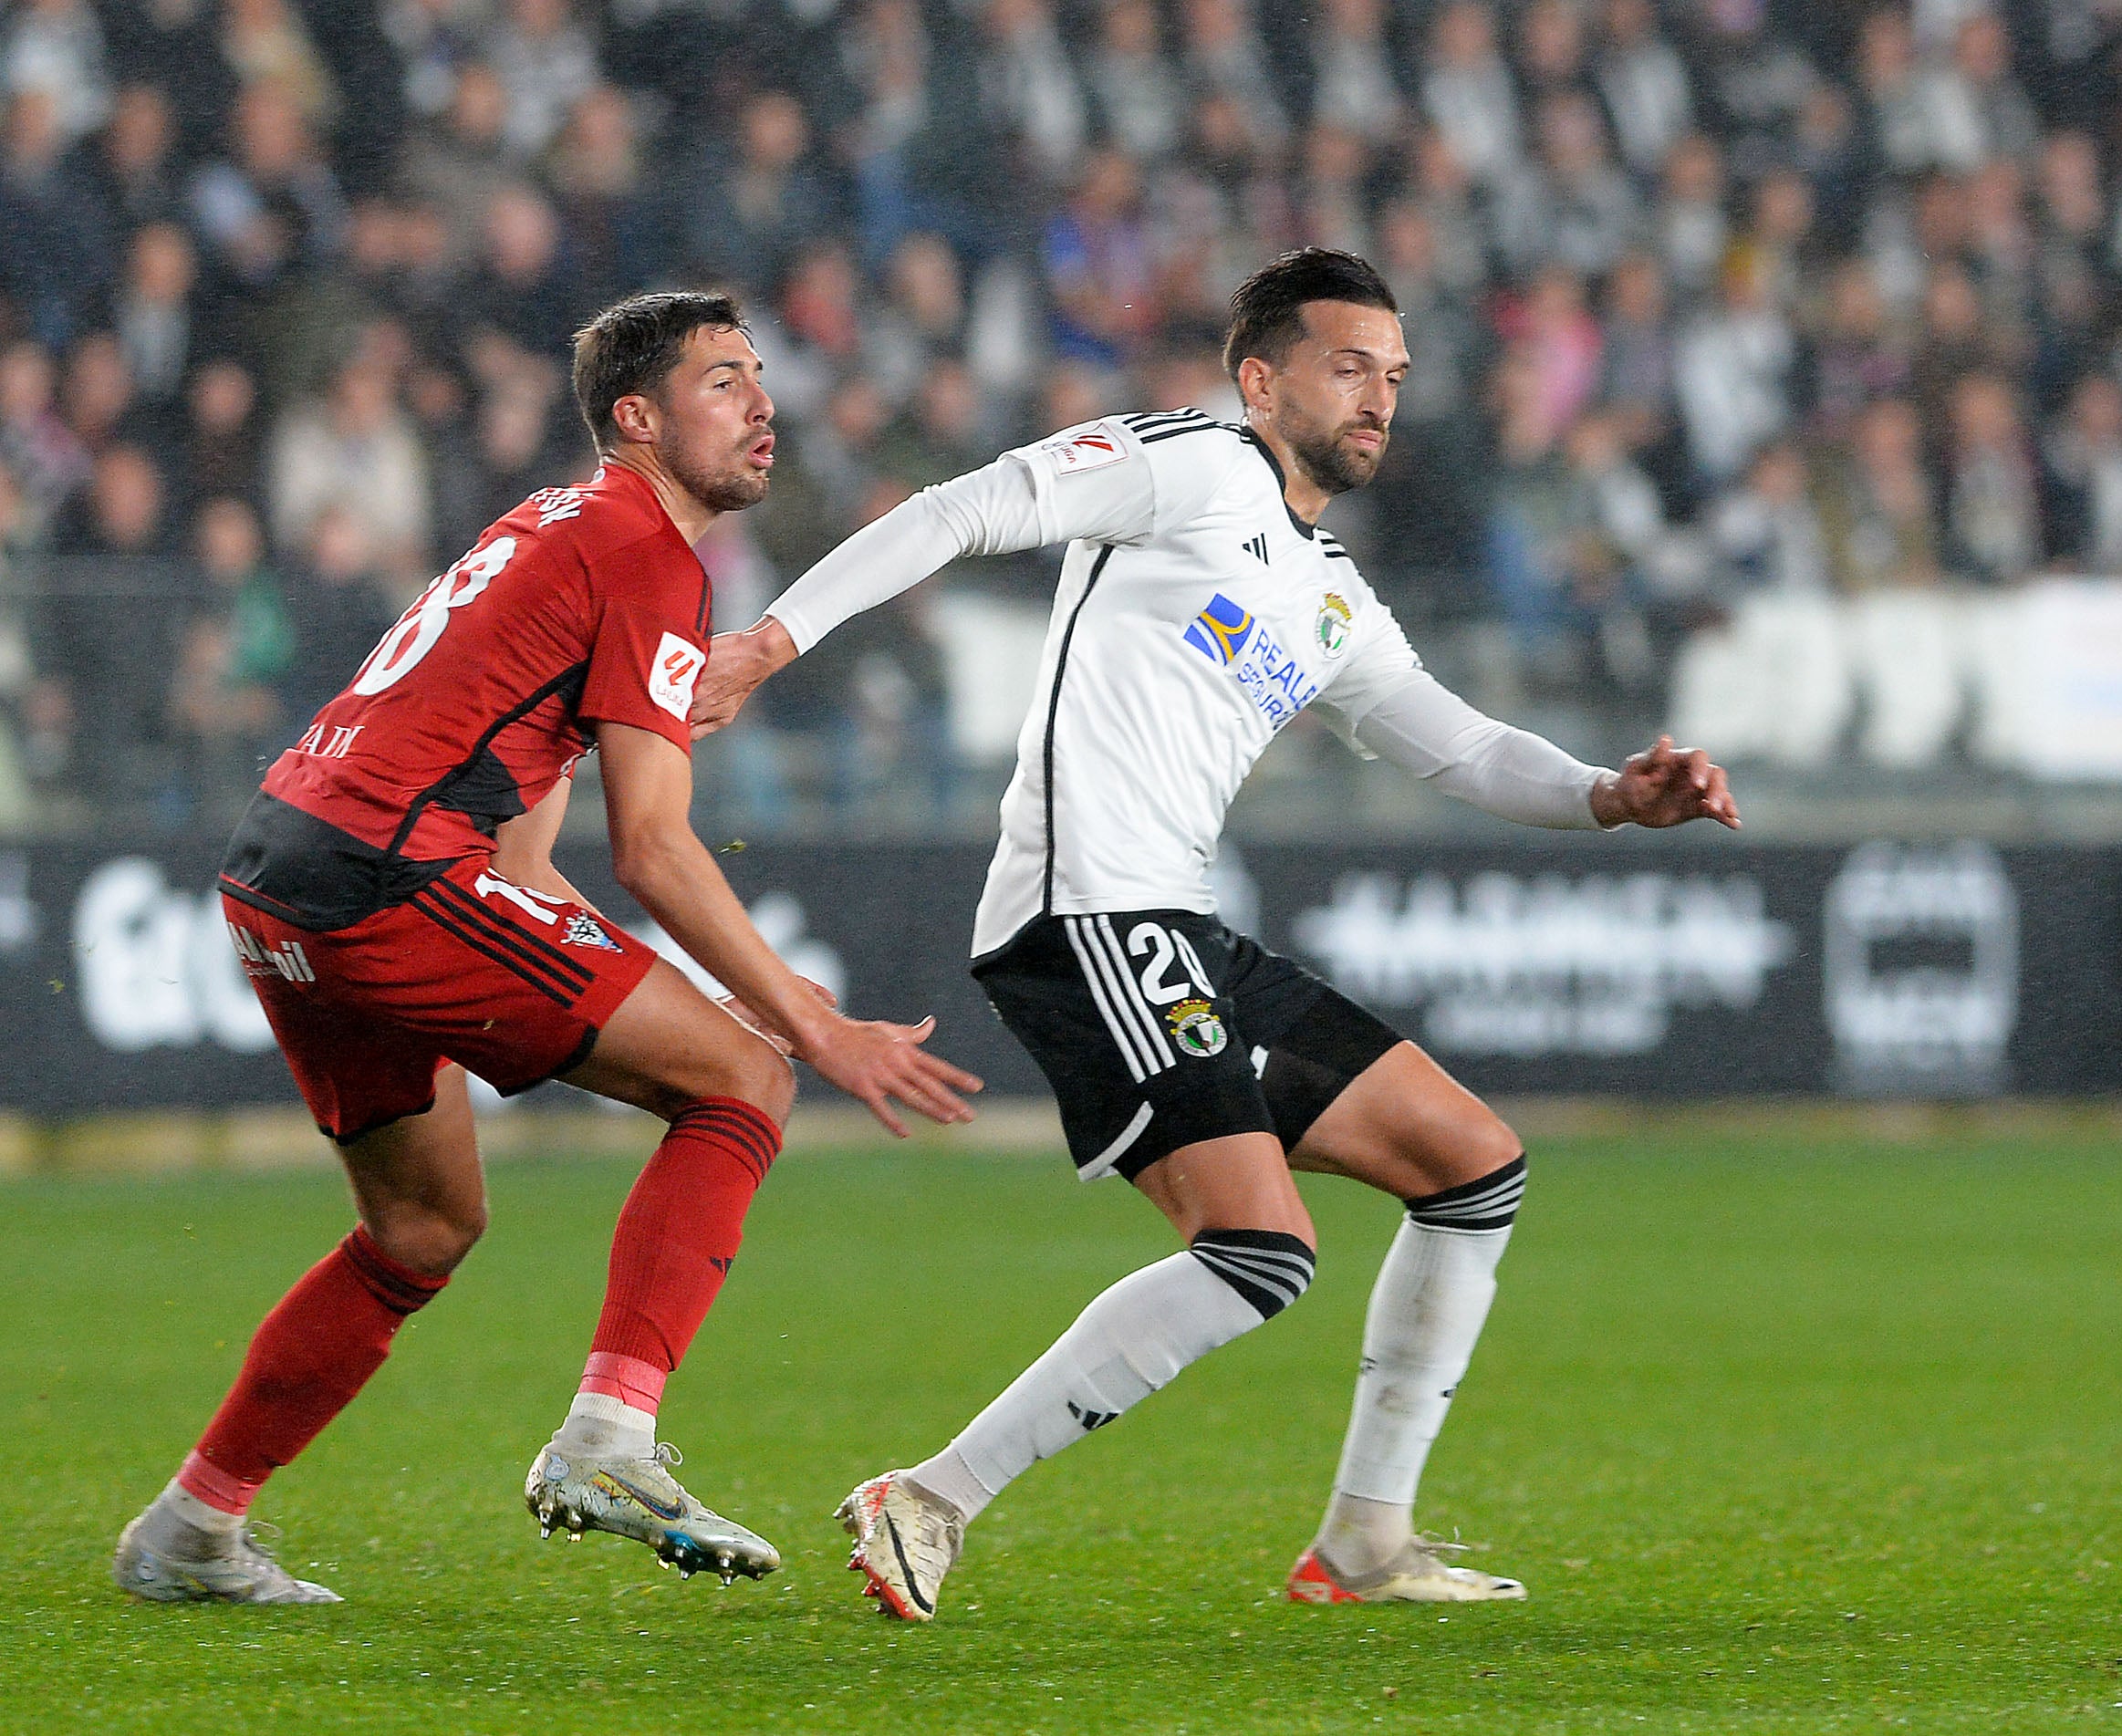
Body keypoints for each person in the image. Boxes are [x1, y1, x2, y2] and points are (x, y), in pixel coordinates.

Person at [689, 249, 1737, 1619]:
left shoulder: (1327, 587)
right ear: (1259, 376)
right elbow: (971, 503)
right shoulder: (1192, 462)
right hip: (1084, 913)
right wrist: (770, 642)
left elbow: (1461, 746)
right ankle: (929, 1496)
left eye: (1395, 377)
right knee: (1259, 1249)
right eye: (1349, 367)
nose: (1379, 400)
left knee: (1473, 1167)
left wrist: (1608, 795)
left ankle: (1365, 1538)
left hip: (1172, 922)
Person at [111, 292, 981, 1606]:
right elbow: (657, 849)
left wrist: (575, 951)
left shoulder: (554, 525)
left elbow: (524, 852)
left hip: (283, 867)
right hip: (387, 868)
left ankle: (189, 1529)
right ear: (636, 418)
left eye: (760, 380)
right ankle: (608, 1441)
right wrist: (810, 1018)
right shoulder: (648, 550)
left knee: (419, 1229)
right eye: (724, 383)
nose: (762, 407)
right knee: (745, 1082)